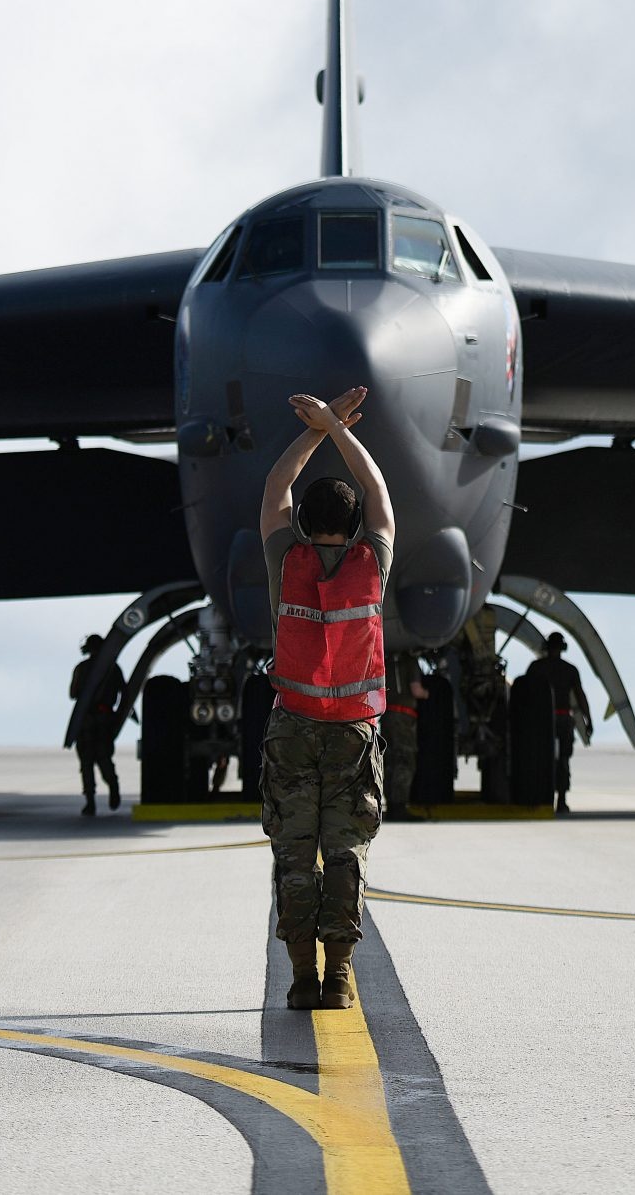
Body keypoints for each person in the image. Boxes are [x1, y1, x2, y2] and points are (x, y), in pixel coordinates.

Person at [259, 383, 394, 1010]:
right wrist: (340, 429)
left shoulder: (286, 559)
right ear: (357, 525)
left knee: (294, 855)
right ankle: (339, 978)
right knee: (344, 853)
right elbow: (380, 495)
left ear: (305, 525)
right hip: (353, 733)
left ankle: (300, 977)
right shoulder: (373, 560)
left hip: (293, 729)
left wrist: (316, 429)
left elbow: (274, 490)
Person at [68, 634, 125, 817]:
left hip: (86, 720)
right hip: (104, 718)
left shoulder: (82, 668)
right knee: (104, 757)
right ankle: (113, 786)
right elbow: (124, 692)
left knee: (86, 762)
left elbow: (73, 693)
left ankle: (90, 802)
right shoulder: (113, 669)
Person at [538, 631, 591, 815]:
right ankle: (560, 800)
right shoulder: (570, 670)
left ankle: (549, 799)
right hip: (562, 719)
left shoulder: (537, 668)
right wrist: (587, 719)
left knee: (546, 760)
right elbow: (580, 696)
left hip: (544, 721)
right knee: (562, 761)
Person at [383, 651, 427, 819]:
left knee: (390, 760)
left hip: (387, 715)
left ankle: (390, 804)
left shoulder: (385, 659)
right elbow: (416, 690)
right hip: (404, 715)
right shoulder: (410, 661)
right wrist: (428, 694)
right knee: (405, 760)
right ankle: (399, 806)